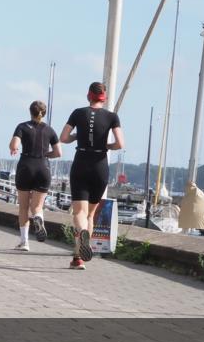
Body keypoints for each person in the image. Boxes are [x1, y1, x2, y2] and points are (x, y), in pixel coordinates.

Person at [59, 82, 124, 270]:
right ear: (104, 97)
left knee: (79, 212)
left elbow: (64, 138)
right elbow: (120, 143)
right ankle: (79, 254)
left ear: (89, 95)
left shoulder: (78, 113)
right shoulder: (112, 116)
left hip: (81, 162)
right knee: (90, 213)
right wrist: (107, 146)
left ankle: (80, 249)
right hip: (100, 165)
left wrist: (76, 137)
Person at [9, 100, 61, 251]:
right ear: (43, 113)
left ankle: (24, 242)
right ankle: (39, 217)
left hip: (26, 166)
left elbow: (14, 145)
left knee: (24, 207)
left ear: (30, 111)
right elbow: (58, 153)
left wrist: (14, 148)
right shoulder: (50, 130)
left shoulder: (22, 127)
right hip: (43, 167)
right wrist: (46, 155)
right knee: (37, 207)